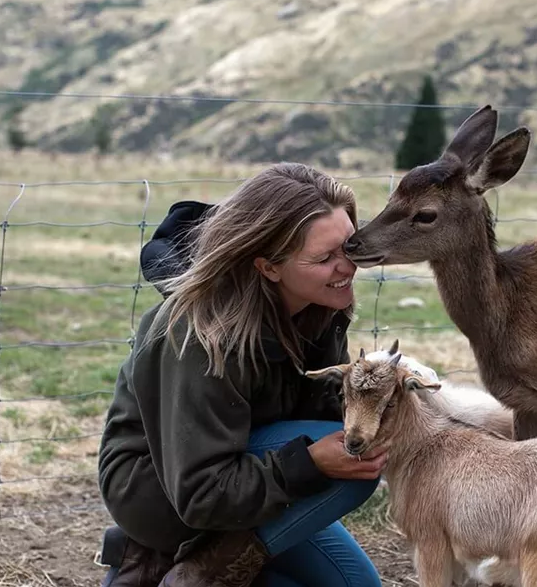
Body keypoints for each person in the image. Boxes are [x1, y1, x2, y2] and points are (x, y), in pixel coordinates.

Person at [94, 162, 387, 587]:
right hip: (164, 494)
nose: (348, 267)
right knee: (353, 463)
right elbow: (200, 491)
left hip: (250, 462)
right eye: (325, 258)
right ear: (268, 267)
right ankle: (195, 572)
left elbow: (318, 405)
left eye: (350, 247)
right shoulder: (197, 334)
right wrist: (305, 464)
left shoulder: (319, 308)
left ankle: (166, 566)